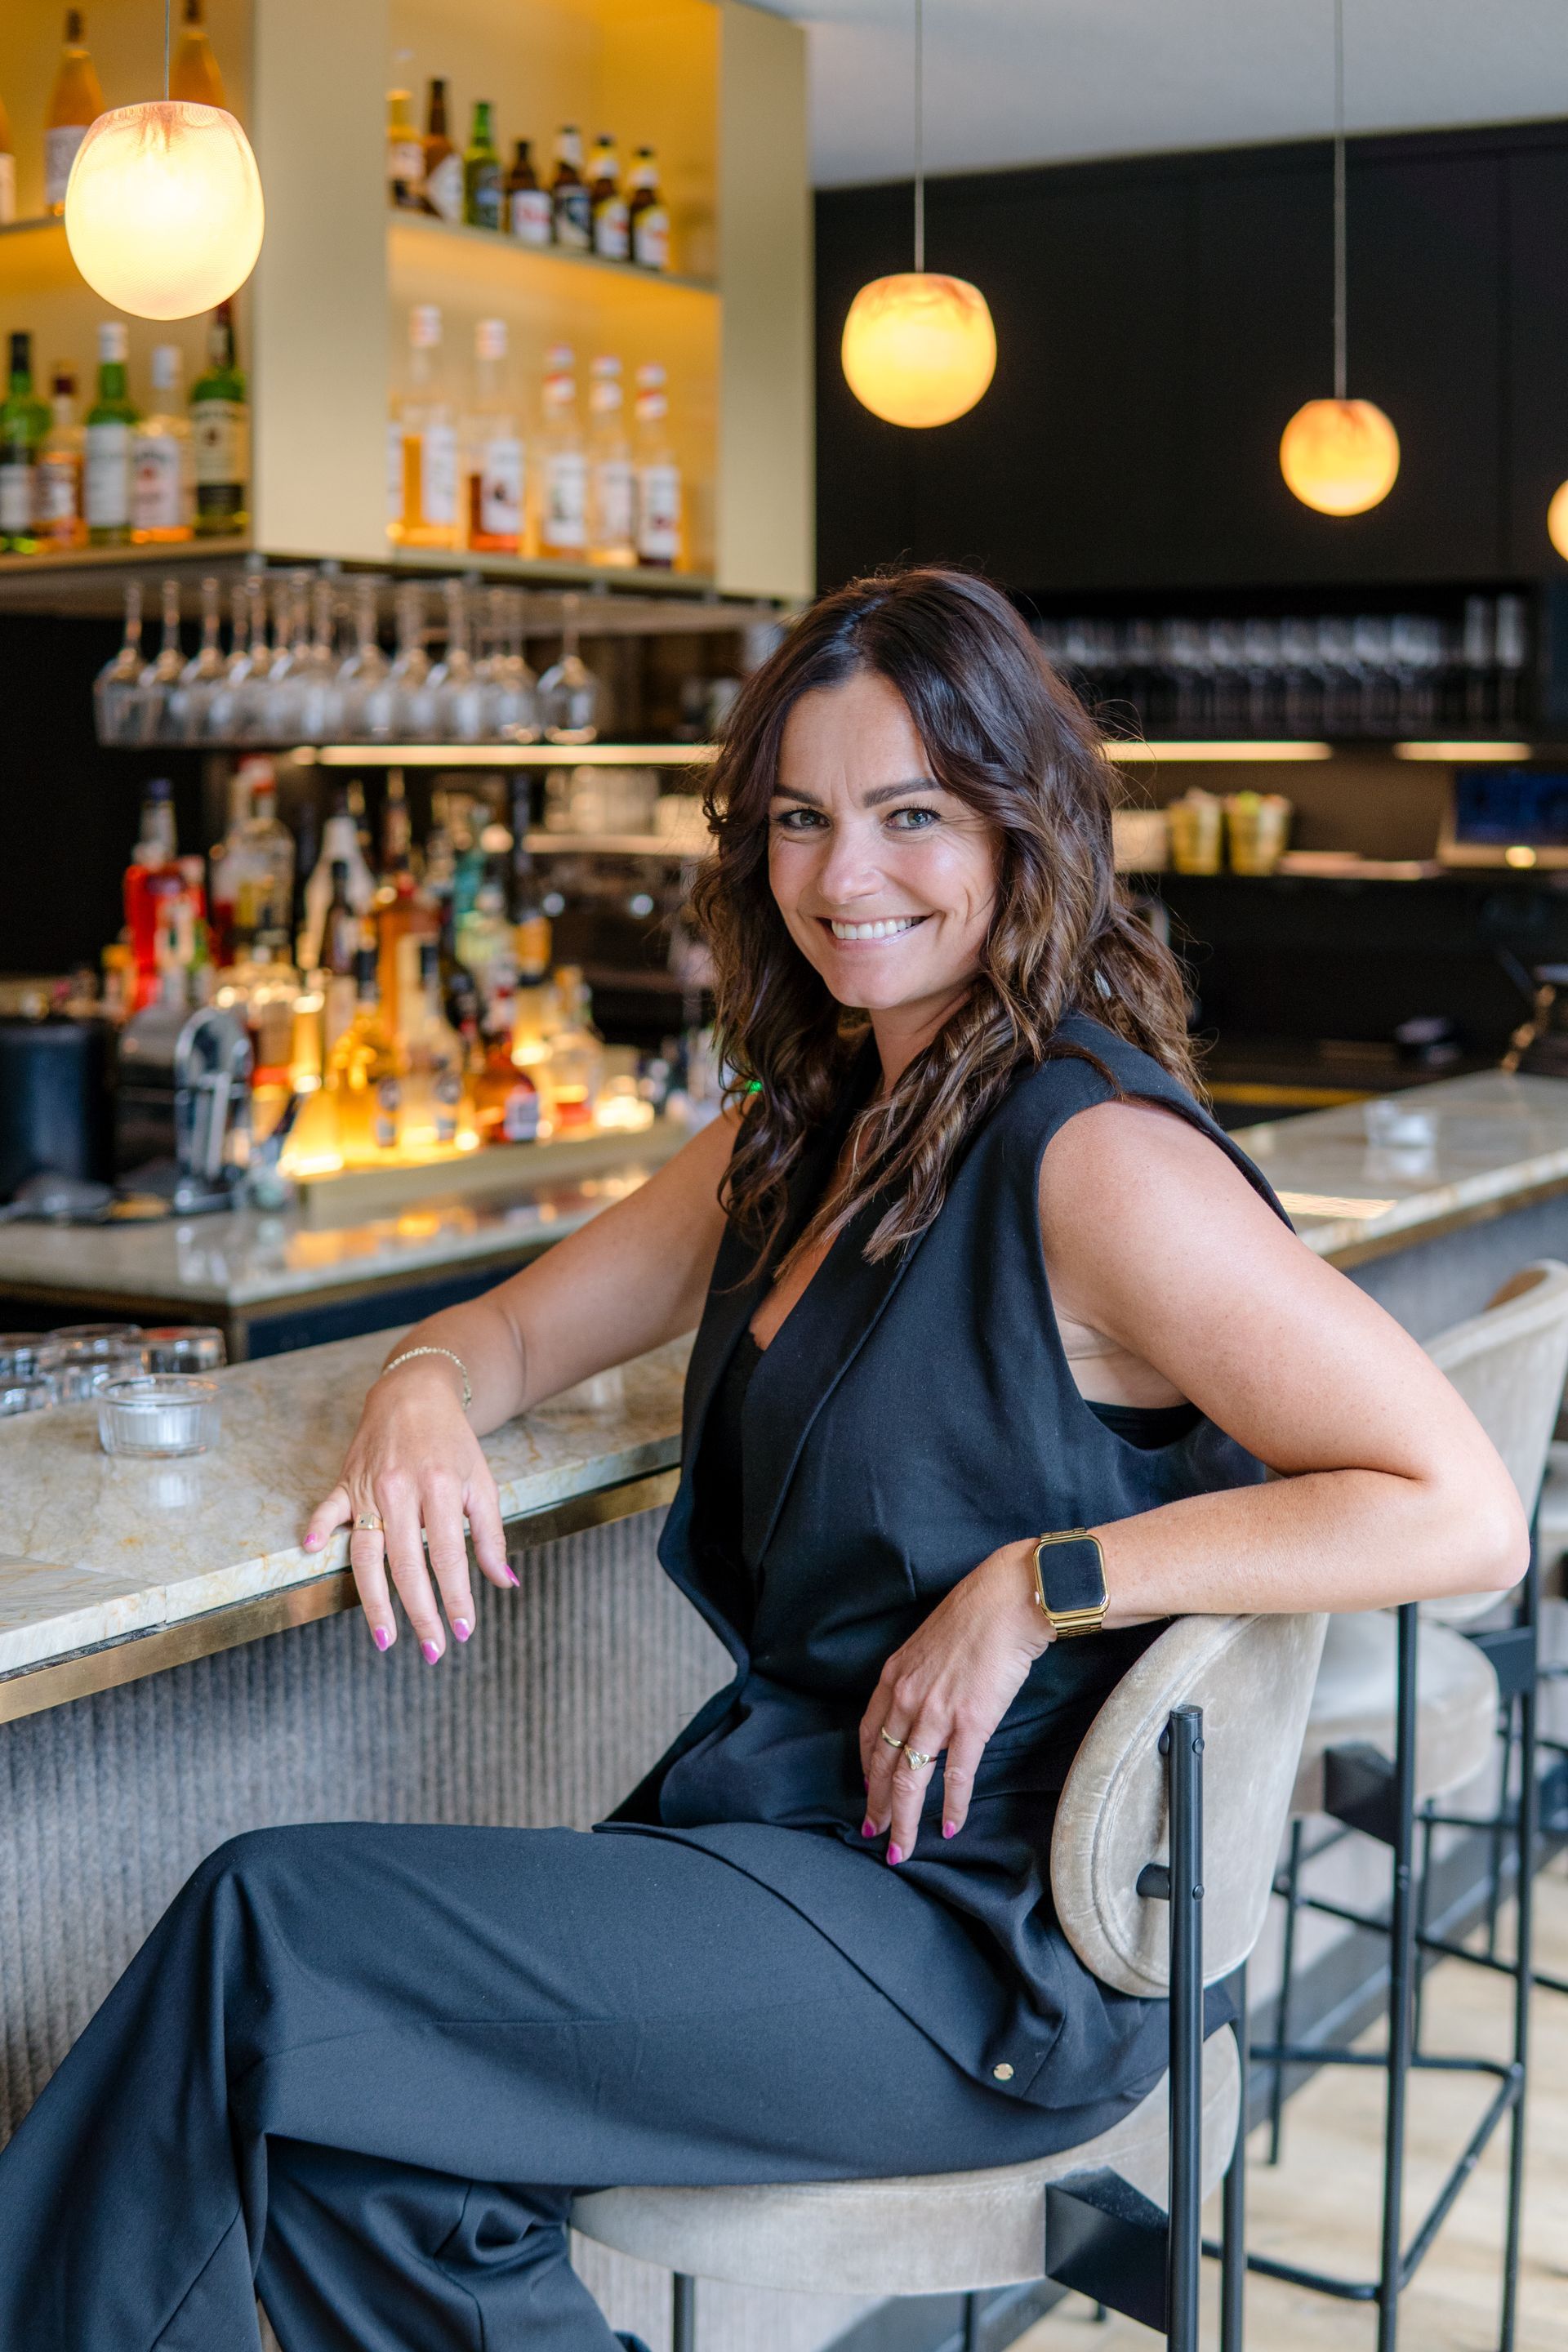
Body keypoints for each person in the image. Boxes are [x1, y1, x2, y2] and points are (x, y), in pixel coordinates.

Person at [0, 570, 1526, 2350]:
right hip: (798, 1852)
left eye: (911, 815)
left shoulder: (1091, 1156)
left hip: (976, 1938)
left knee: (266, 1928)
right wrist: (418, 1387)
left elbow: (1459, 1505)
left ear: (1022, 828)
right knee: (359, 2144)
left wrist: (1041, 1585)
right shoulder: (807, 1130)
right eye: (801, 819)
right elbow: (511, 1334)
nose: (843, 873)